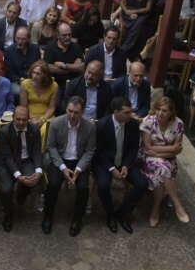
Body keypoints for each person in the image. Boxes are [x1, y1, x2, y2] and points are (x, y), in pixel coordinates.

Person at [43, 96, 94, 235]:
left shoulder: (89, 127)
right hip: (60, 160)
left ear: (82, 112)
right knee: (53, 184)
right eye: (70, 111)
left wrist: (78, 170)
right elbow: (51, 147)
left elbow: (90, 151)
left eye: (76, 112)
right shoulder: (56, 123)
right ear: (66, 109)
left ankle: (77, 219)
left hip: (79, 161)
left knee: (83, 188)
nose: (72, 115)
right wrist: (63, 168)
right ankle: (47, 216)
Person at [95, 98, 146, 233]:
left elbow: (133, 148)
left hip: (125, 162)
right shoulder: (102, 125)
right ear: (116, 112)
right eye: (126, 112)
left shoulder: (133, 125)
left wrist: (126, 166)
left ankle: (123, 213)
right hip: (106, 163)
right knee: (103, 185)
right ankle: (110, 214)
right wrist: (111, 169)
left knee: (142, 184)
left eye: (131, 112)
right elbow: (98, 152)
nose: (130, 115)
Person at [139, 95, 190, 226]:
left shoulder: (178, 124)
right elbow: (147, 146)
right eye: (159, 109)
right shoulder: (148, 121)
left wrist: (159, 152)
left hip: (167, 159)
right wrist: (170, 148)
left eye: (165, 110)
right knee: (163, 169)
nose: (160, 113)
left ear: (171, 112)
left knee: (161, 174)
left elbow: (177, 150)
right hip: (148, 159)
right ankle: (178, 205)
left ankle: (155, 210)